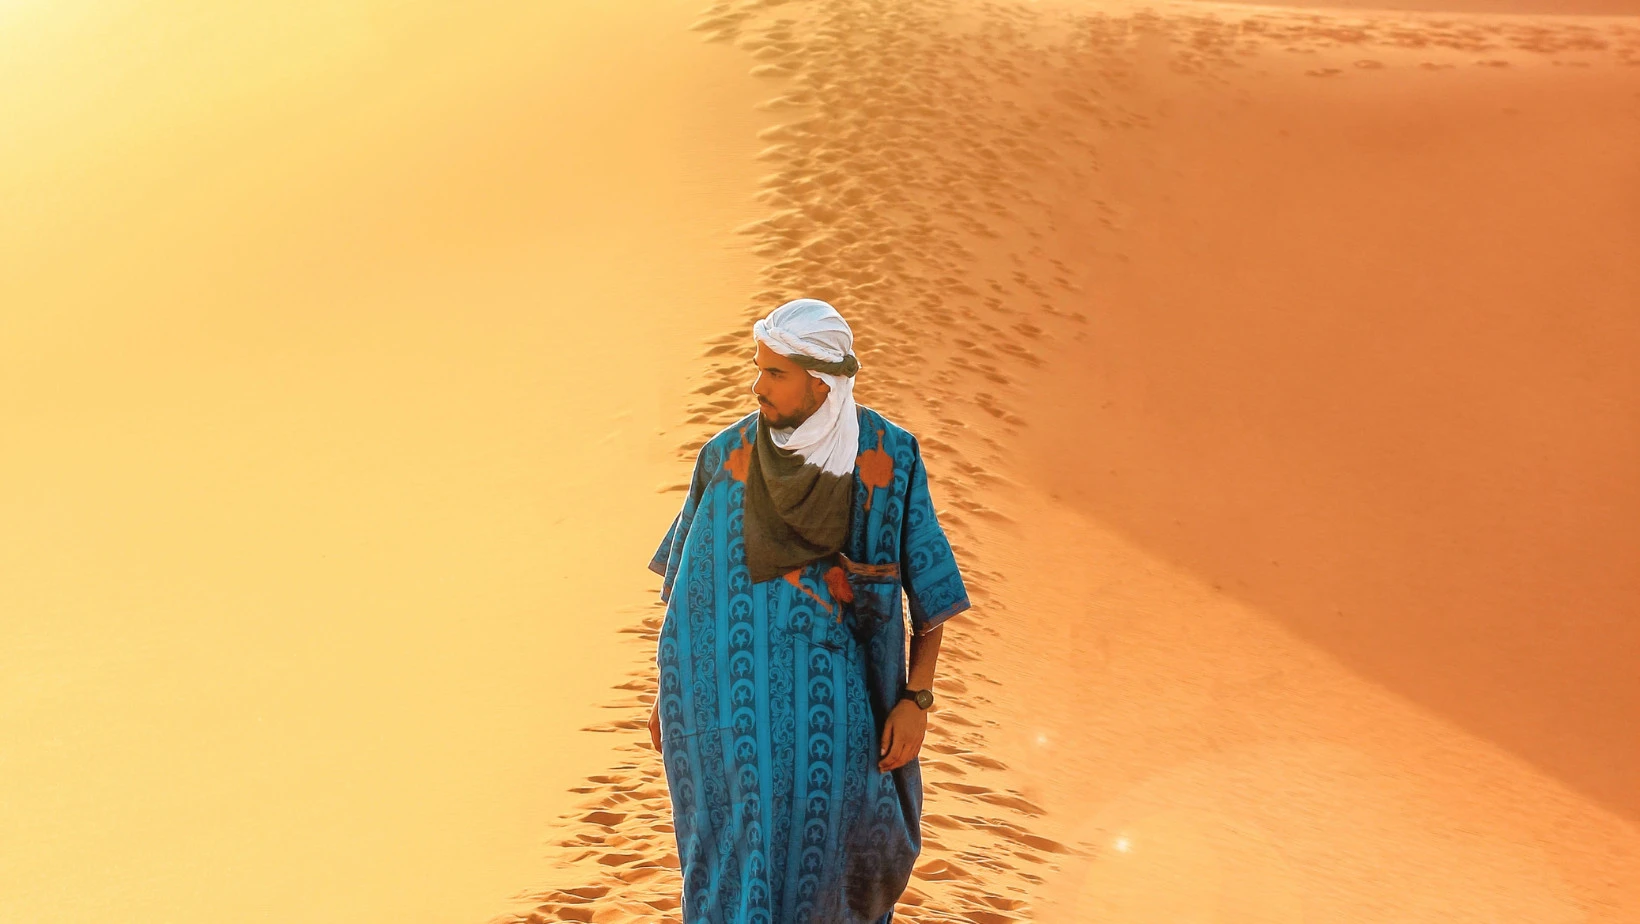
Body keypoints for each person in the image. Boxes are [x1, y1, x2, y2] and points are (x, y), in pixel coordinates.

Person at [647, 298, 972, 923]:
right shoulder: (727, 458)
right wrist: (671, 690)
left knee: (825, 880)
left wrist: (918, 699)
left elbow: (931, 595)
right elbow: (690, 589)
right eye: (757, 368)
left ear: (822, 382)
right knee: (733, 876)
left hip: (840, 731)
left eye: (775, 374)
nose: (756, 387)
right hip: (730, 722)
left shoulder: (889, 458)